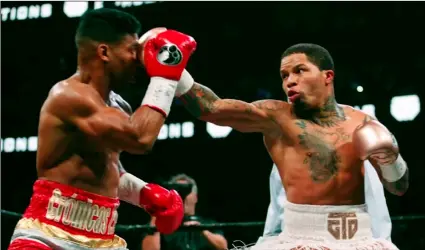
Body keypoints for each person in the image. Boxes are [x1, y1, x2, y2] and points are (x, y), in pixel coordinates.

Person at [173, 41, 409, 249]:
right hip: (301, 240)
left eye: (299, 71)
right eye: (285, 75)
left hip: (359, 239)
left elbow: (399, 187)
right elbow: (211, 108)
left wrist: (391, 160)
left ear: (328, 76)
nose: (290, 81)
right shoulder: (276, 117)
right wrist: (174, 69)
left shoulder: (363, 123)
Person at [8, 9, 197, 250]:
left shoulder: (118, 105)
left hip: (103, 237)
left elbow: (108, 168)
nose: (137, 60)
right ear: (104, 52)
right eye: (131, 50)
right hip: (48, 235)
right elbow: (141, 139)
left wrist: (145, 194)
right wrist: (166, 75)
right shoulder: (68, 96)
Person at [258, 161, 393, 244]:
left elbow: (375, 203)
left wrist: (383, 240)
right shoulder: (287, 139)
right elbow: (278, 207)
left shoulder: (355, 134)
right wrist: (270, 237)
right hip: (295, 239)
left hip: (349, 239)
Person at [142, 174, 228, 250]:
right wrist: (156, 218)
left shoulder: (208, 224)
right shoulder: (162, 224)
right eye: (179, 191)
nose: (182, 195)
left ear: (195, 197)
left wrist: (203, 230)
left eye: (187, 190)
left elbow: (223, 247)